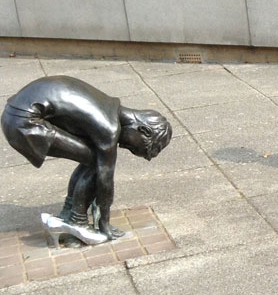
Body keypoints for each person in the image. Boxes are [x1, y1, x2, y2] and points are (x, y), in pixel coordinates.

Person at [2, 76, 172, 246]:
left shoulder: (108, 107)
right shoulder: (108, 126)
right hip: (24, 122)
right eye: (137, 148)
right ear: (144, 130)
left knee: (91, 157)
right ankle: (77, 221)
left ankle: (68, 216)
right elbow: (105, 178)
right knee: (96, 162)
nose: (126, 148)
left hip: (15, 114)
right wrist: (104, 222)